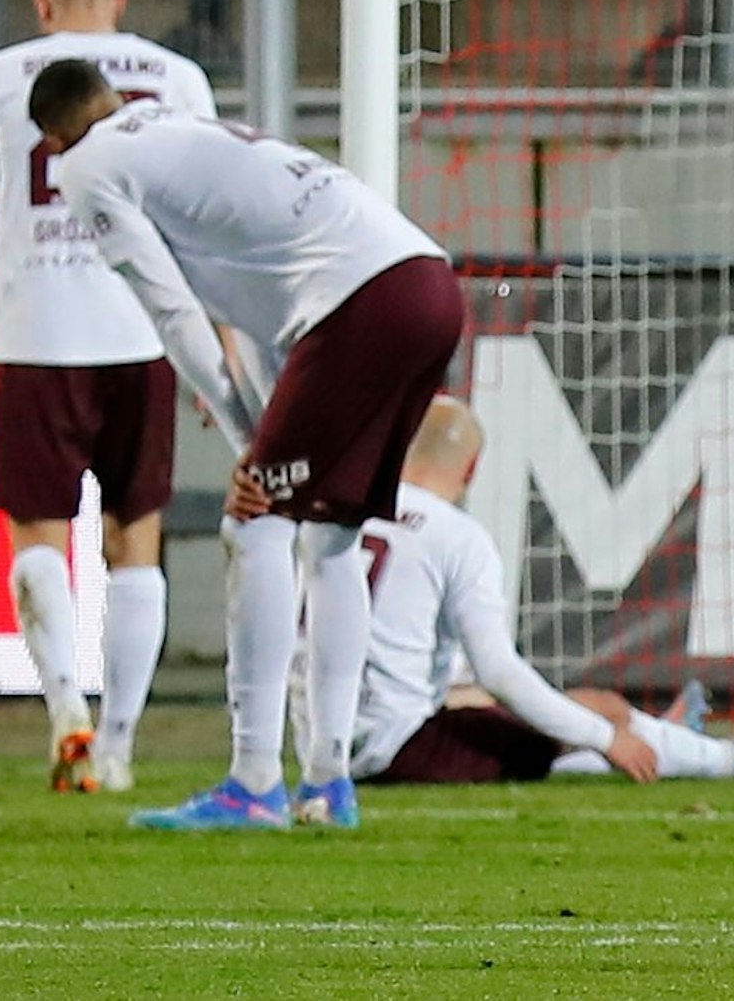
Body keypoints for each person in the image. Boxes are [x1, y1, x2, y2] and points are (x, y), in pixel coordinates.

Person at [29, 59, 464, 832]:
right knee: (330, 538)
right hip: (427, 284)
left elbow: (172, 312)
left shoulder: (89, 163)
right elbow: (271, 317)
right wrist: (262, 428)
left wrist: (247, 445)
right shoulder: (170, 123)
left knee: (254, 521)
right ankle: (328, 782)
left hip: (359, 303)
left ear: (55, 137)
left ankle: (255, 781)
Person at [0, 0, 217, 794]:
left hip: (38, 329)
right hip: (141, 330)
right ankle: (118, 744)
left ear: (41, 4)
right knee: (133, 538)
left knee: (38, 534)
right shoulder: (178, 78)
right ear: (120, 2)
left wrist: (2, 312)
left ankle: (65, 703)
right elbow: (200, 218)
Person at [289, 397, 734, 786]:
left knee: (577, 714)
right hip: (393, 748)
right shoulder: (457, 536)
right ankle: (733, 760)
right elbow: (500, 673)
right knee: (598, 720)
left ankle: (672, 740)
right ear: (473, 468)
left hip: (321, 736)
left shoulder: (338, 514)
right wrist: (605, 738)